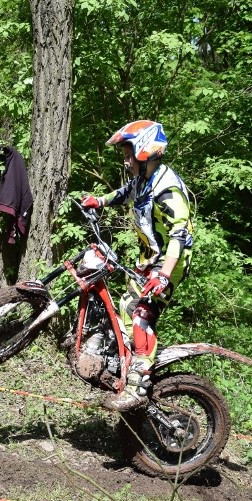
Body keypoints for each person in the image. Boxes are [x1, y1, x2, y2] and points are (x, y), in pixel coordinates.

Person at [82, 120, 194, 411]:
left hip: (171, 263)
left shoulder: (167, 189)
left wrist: (165, 275)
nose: (126, 159)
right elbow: (124, 193)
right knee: (125, 307)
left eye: (129, 152)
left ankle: (138, 386)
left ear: (146, 151)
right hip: (149, 259)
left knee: (142, 316)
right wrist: (99, 201)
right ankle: (125, 362)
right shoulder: (144, 181)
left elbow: (179, 235)